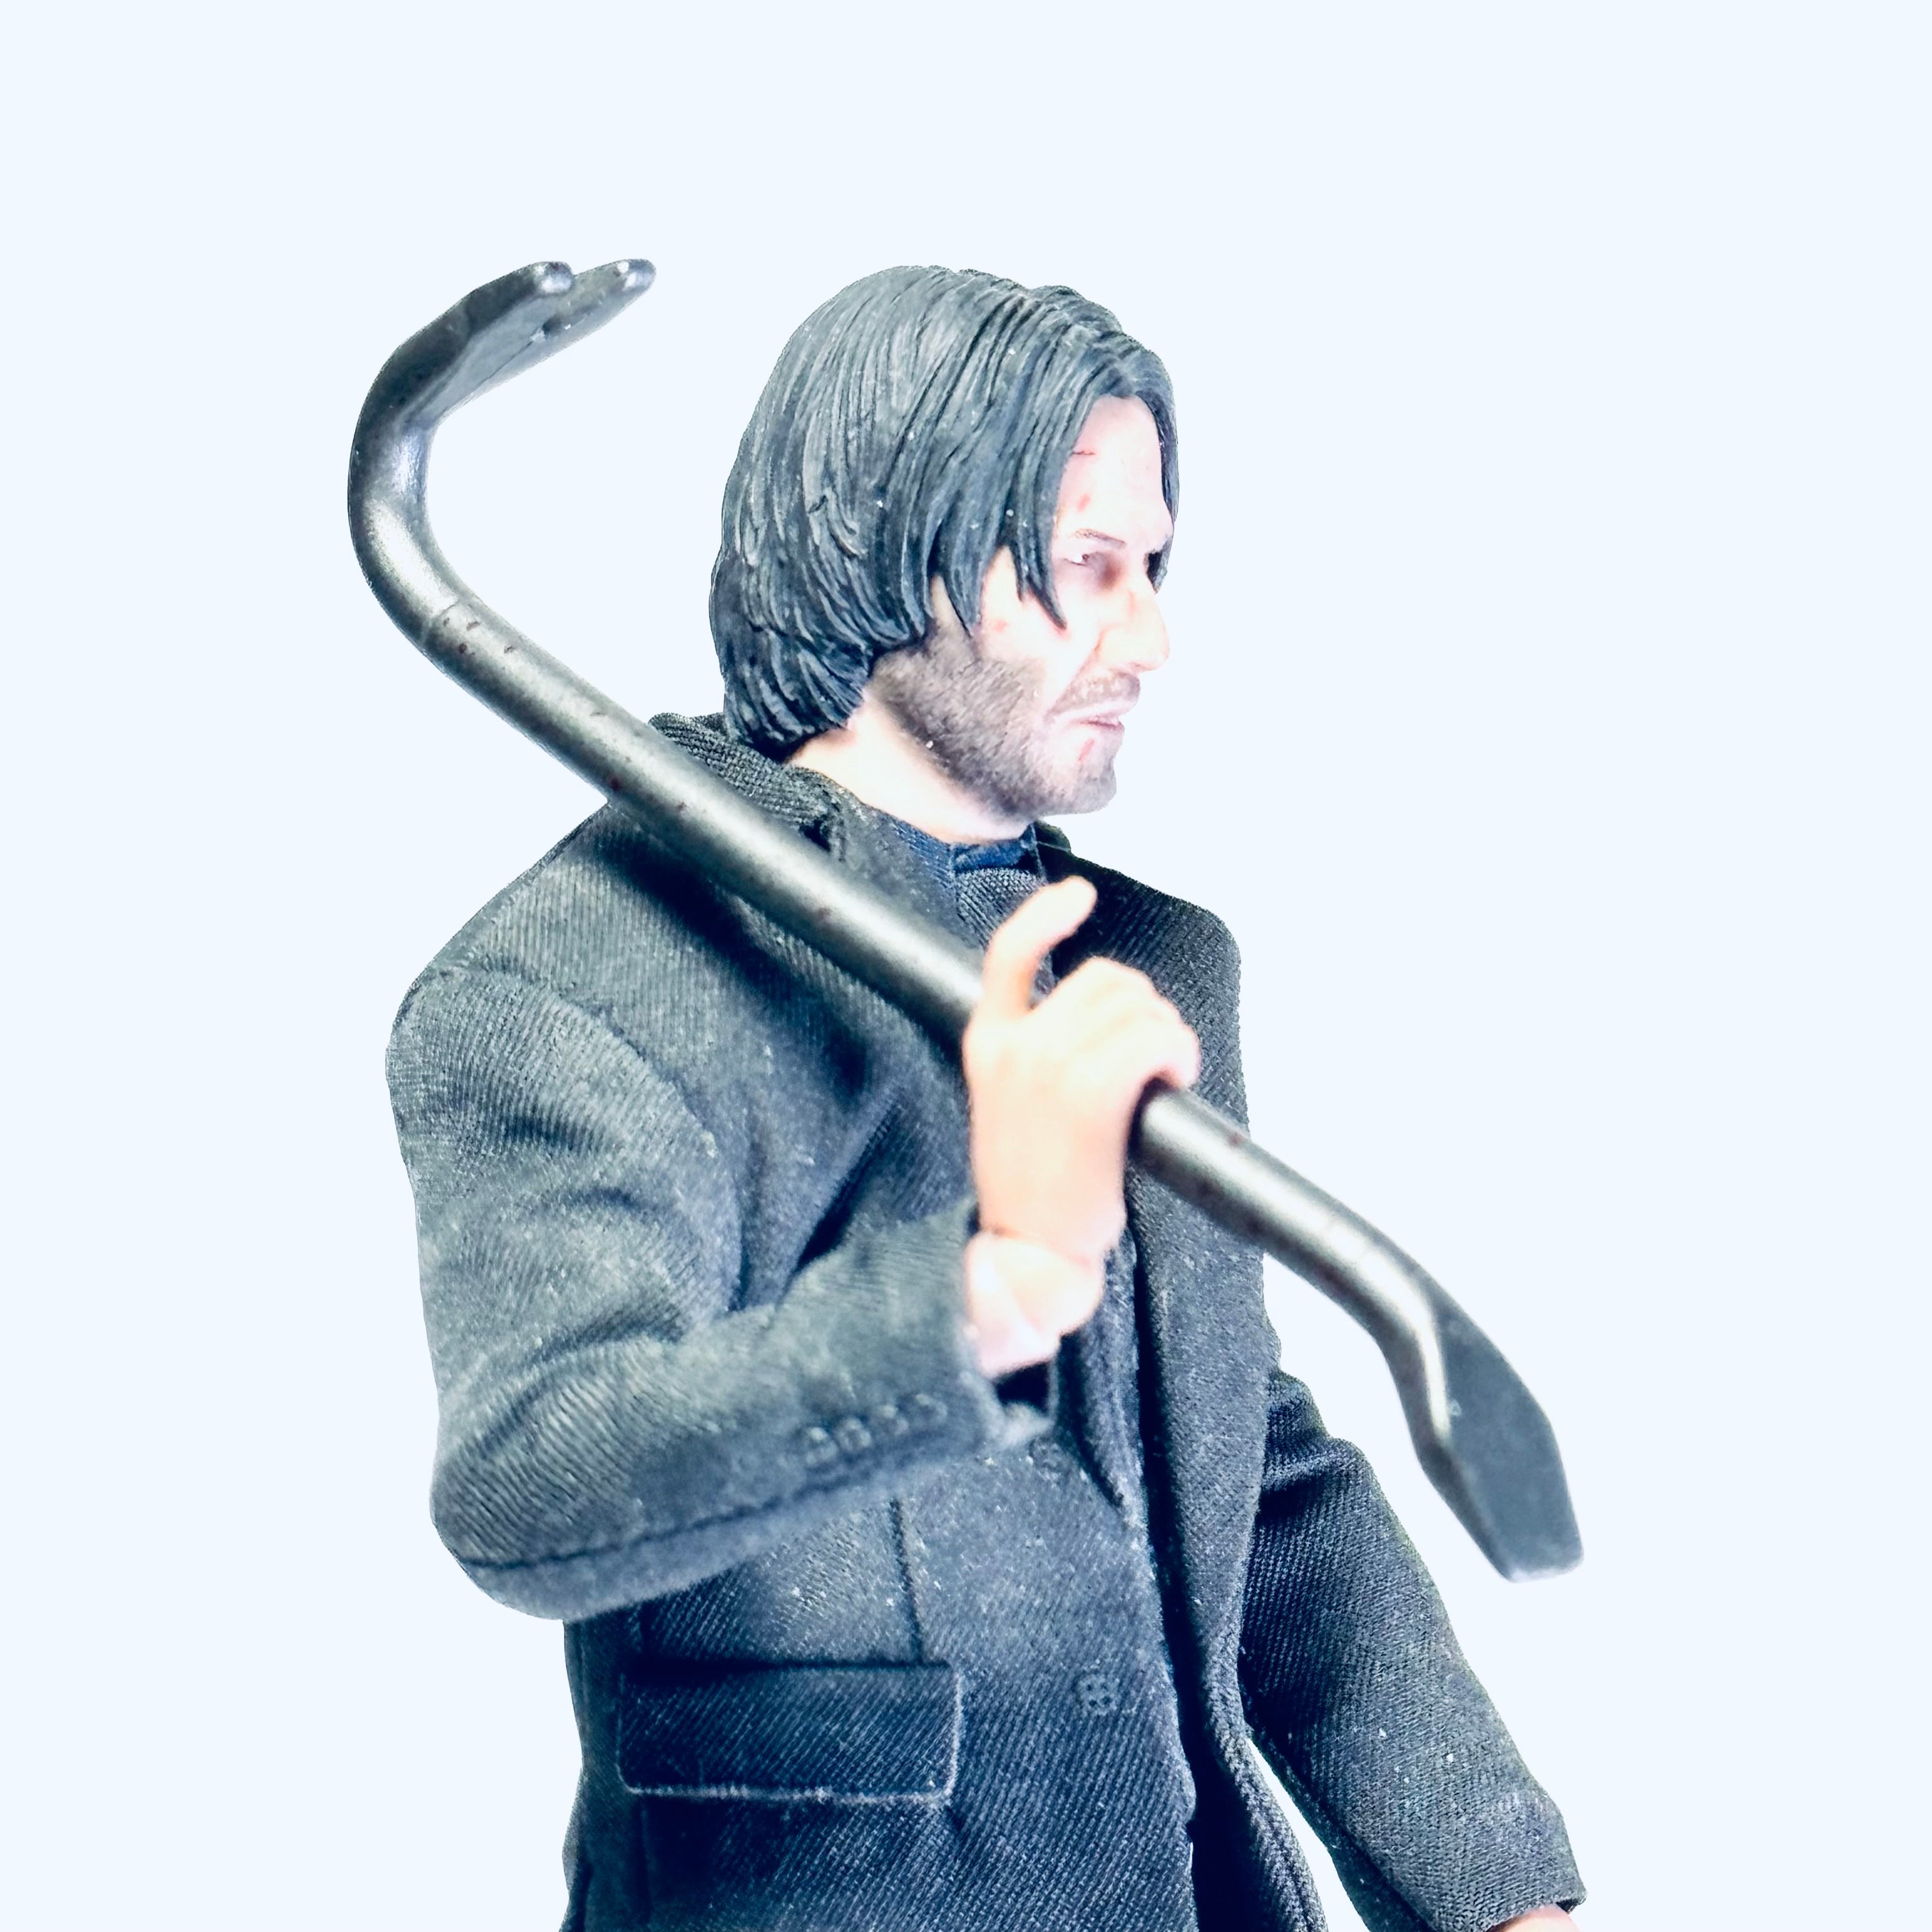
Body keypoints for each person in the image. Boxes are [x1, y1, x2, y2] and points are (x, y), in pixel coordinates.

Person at [387, 266, 1584, 1932]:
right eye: (1088, 566)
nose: (1151, 637)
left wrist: (1494, 1895)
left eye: (1153, 566)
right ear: (896, 546)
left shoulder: (1147, 973)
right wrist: (988, 1292)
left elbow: (1250, 1480)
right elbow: (533, 1487)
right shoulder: (577, 984)